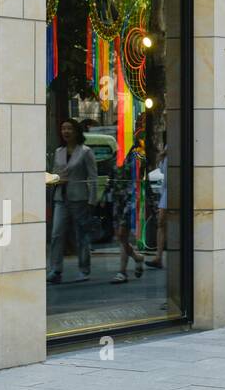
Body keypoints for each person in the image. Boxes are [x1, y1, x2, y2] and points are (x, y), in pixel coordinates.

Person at [48, 119, 99, 284]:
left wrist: (92, 200)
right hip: (60, 198)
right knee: (56, 234)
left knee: (81, 235)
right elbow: (55, 173)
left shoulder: (85, 152)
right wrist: (56, 179)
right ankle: (55, 270)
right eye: (63, 128)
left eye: (69, 128)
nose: (66, 132)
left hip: (80, 199)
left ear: (76, 131)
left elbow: (93, 178)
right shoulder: (58, 152)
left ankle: (84, 269)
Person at [111, 134, 149, 284]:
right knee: (121, 237)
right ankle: (137, 257)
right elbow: (111, 177)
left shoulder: (138, 157)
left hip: (131, 198)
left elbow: (143, 179)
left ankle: (122, 271)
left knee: (122, 233)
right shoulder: (116, 156)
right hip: (118, 199)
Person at [147, 140, 168, 269]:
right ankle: (158, 256)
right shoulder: (167, 146)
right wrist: (162, 156)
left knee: (163, 222)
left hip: (173, 189)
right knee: (161, 222)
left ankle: (159, 256)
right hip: (167, 190)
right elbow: (162, 169)